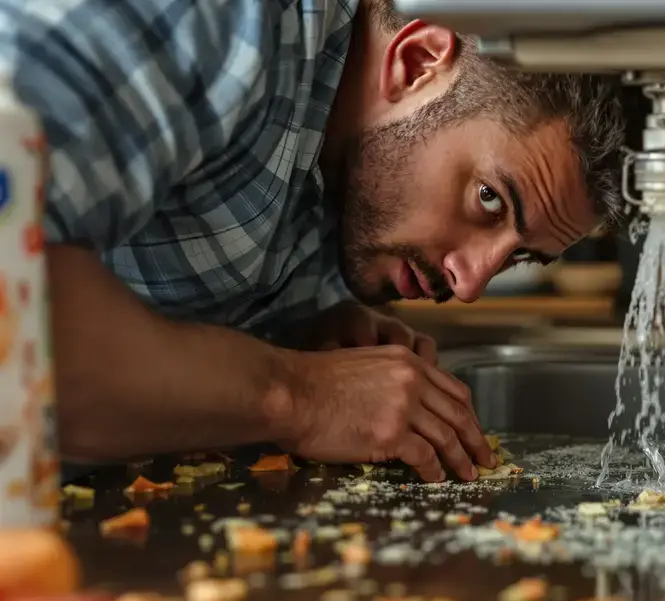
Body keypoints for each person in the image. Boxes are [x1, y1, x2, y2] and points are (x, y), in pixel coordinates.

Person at [0, 0, 627, 482]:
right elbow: (11, 313)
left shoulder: (357, 176)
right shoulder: (215, 21)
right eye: (489, 199)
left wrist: (303, 342)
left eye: (520, 254)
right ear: (415, 65)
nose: (470, 285)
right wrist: (297, 393)